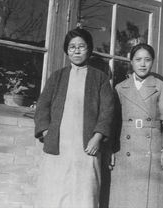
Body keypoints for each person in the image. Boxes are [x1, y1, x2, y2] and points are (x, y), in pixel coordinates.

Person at [34, 27, 114, 208]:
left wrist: (97, 137)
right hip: (58, 147)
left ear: (89, 49)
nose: (76, 50)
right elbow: (42, 107)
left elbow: (107, 111)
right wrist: (47, 132)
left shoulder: (100, 79)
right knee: (54, 193)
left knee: (84, 193)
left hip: (86, 147)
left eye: (81, 46)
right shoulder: (57, 76)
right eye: (72, 47)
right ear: (66, 50)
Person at [109, 43, 163, 208]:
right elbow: (114, 122)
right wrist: (111, 149)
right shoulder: (120, 88)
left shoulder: (161, 86)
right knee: (124, 200)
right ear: (131, 62)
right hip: (124, 150)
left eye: (147, 60)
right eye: (138, 59)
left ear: (152, 62)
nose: (142, 64)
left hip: (152, 152)